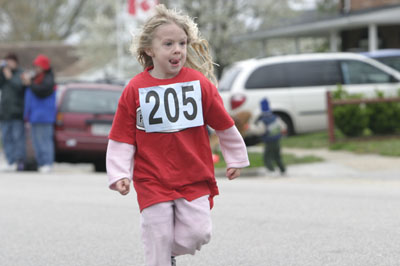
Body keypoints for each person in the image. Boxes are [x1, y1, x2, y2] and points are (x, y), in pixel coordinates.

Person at [106, 4, 249, 266]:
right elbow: (122, 137)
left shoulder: (199, 84)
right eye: (168, 43)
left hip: (193, 173)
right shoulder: (135, 89)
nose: (177, 50)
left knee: (198, 233)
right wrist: (120, 174)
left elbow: (223, 124)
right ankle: (159, 255)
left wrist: (236, 158)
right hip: (152, 178)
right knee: (157, 234)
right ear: (150, 49)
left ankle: (166, 252)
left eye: (182, 43)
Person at [21, 54, 56, 173]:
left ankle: (47, 163)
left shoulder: (48, 78)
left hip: (44, 116)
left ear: (44, 66)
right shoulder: (36, 78)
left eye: (38, 66)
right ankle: (41, 163)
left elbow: (41, 91)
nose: (36, 68)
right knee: (36, 142)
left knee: (44, 141)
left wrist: (30, 83)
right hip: (34, 115)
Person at [0, 53, 26, 171]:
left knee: (17, 138)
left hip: (17, 113)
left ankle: (19, 161)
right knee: (6, 138)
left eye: (10, 61)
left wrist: (9, 76)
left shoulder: (20, 73)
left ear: (16, 62)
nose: (8, 64)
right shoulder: (3, 73)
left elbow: (20, 87)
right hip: (5, 113)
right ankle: (10, 161)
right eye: (7, 61)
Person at [257, 98, 286, 175]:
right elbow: (283, 127)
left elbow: (261, 131)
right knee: (277, 156)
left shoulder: (263, 120)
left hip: (268, 141)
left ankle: (271, 170)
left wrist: (251, 129)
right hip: (277, 139)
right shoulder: (275, 117)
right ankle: (283, 169)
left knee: (267, 156)